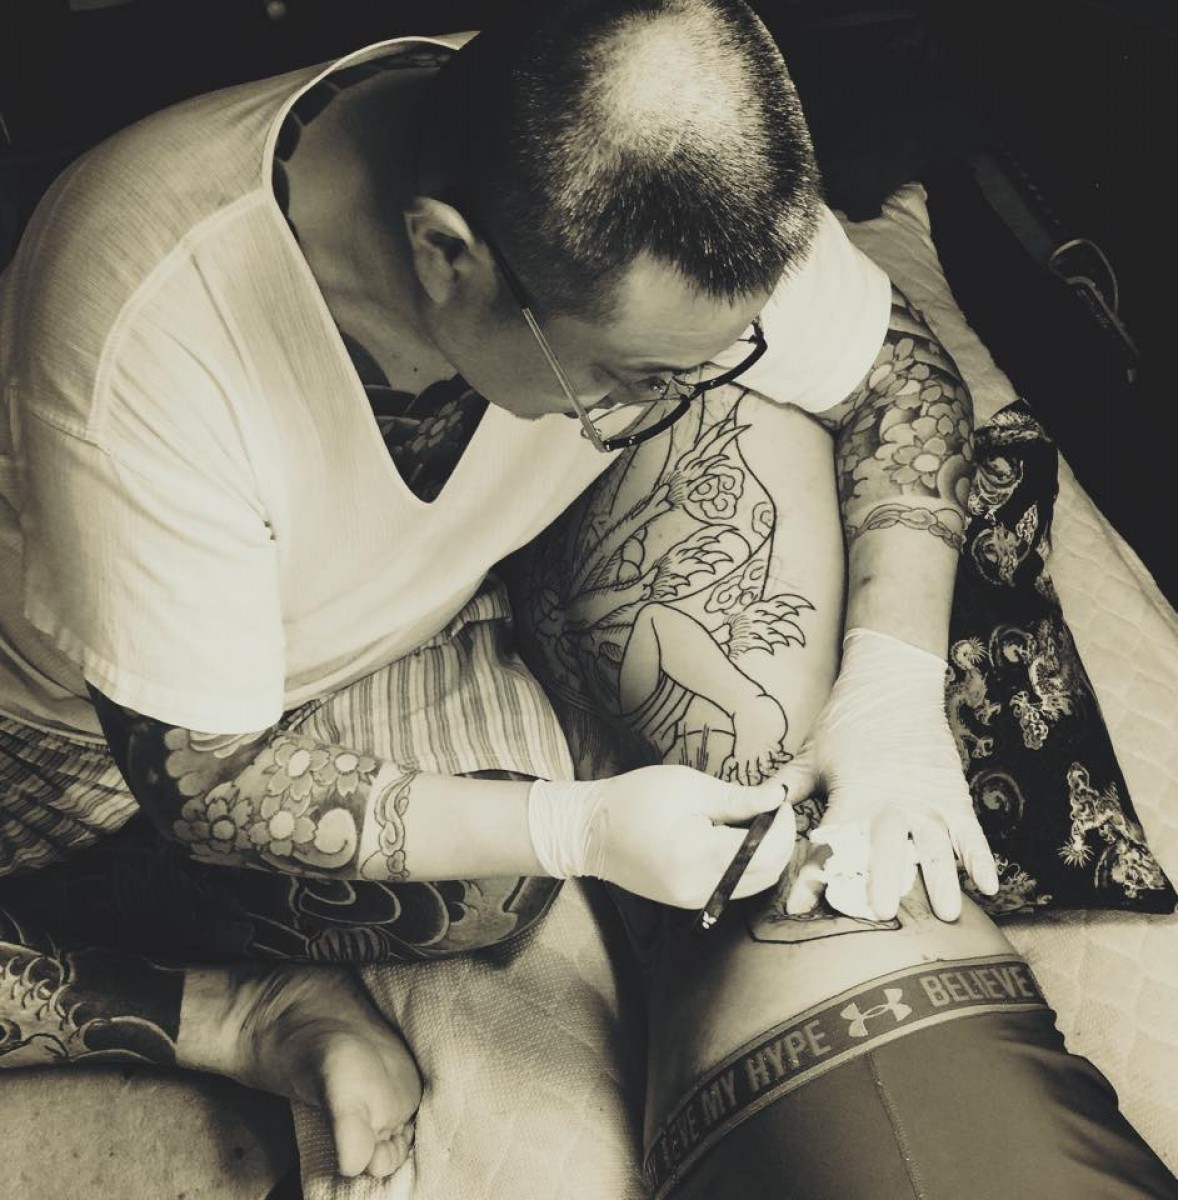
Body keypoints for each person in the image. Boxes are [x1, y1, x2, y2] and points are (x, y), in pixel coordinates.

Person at [0, 0, 1173, 1194]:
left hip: (426, 588)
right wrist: (576, 829)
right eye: (630, 373)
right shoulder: (150, 330)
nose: (677, 389)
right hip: (86, 751)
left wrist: (891, 688)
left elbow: (897, 376)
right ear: (447, 254)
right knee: (480, 891)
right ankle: (238, 1017)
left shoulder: (644, 158)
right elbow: (204, 782)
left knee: (759, 564)